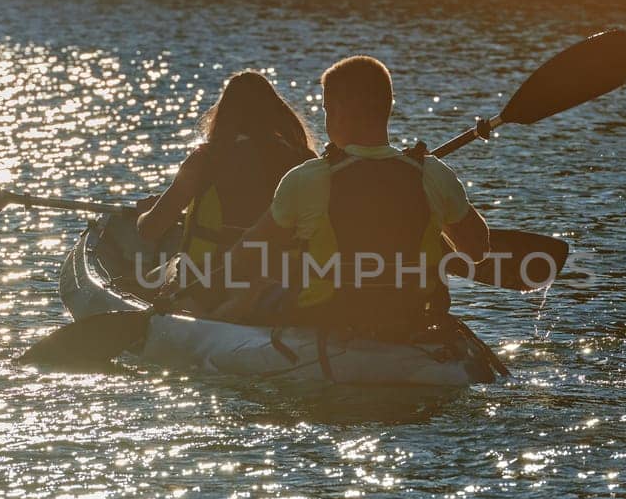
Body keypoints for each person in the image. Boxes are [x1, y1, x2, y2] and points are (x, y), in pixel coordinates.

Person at [219, 55, 489, 336]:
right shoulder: (433, 174)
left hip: (325, 322)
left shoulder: (307, 177)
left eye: (325, 109)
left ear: (337, 110)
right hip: (413, 322)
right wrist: (433, 229)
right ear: (387, 108)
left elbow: (245, 255)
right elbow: (477, 251)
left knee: (247, 297)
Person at [135, 70, 317, 306]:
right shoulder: (304, 159)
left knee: (153, 275)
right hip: (282, 277)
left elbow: (150, 229)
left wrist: (144, 214)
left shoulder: (206, 159)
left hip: (211, 279)